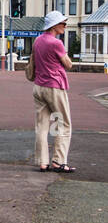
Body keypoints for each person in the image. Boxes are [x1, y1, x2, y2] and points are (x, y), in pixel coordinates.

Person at [32, 11, 75, 173]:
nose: (65, 25)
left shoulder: (37, 41)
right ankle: (58, 161)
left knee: (42, 126)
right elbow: (68, 64)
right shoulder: (56, 43)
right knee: (63, 123)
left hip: (38, 86)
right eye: (63, 23)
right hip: (54, 86)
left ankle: (43, 162)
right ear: (54, 25)